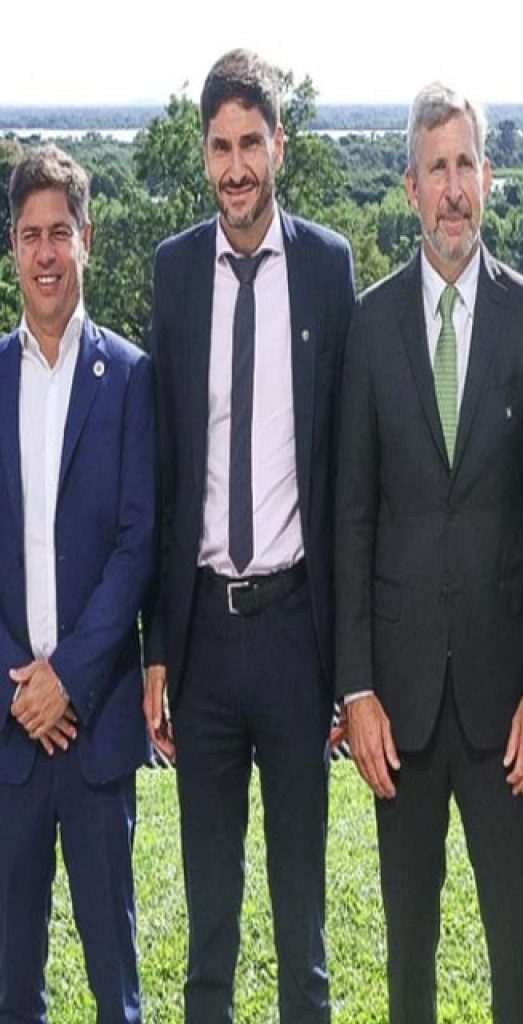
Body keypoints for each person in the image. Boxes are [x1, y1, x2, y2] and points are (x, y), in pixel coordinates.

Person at [335, 81, 523, 1024]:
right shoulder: (369, 324)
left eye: (467, 164)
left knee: (516, 942)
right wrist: (356, 690)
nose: (455, 187)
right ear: (410, 187)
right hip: (399, 708)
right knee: (409, 952)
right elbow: (352, 519)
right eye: (437, 168)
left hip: (503, 704)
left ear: (488, 176)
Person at [142, 49, 356, 1024]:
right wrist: (156, 648)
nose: (235, 167)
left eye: (250, 144)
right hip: (202, 640)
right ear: (205, 154)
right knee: (209, 938)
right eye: (220, 147)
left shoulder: (327, 268)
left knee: (302, 933)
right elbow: (165, 468)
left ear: (280, 146)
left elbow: (347, 478)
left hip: (295, 631)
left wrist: (350, 667)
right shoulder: (175, 272)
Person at [0, 145, 156, 1024]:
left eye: (61, 232)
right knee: (10, 987)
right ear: (13, 249)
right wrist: (18, 687)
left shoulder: (129, 376)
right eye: (31, 235)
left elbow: (138, 546)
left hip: (95, 733)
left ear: (87, 238)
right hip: (10, 739)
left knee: (114, 991)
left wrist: (68, 679)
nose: (47, 253)